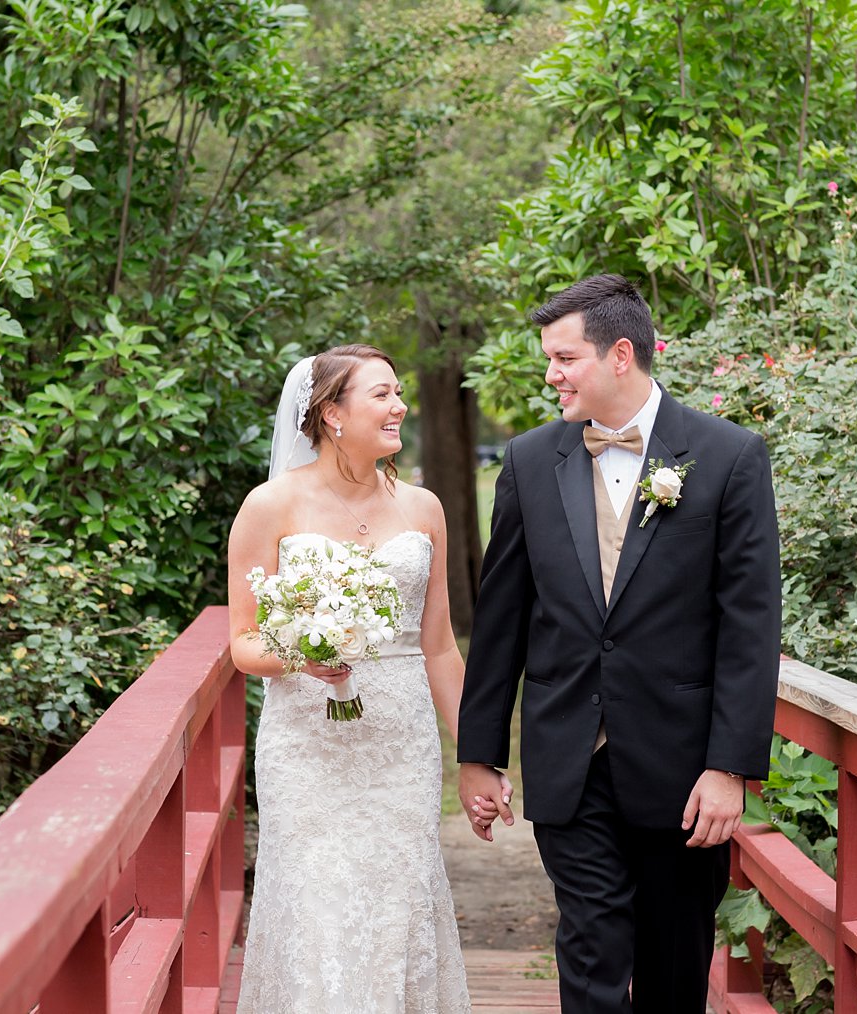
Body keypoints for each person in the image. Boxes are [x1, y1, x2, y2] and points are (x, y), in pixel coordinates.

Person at [457, 275, 782, 1013]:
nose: (551, 375)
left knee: (673, 972)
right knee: (593, 956)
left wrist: (730, 766)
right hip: (569, 759)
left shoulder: (729, 457)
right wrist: (479, 755)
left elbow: (750, 624)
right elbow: (501, 617)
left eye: (564, 358)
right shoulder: (531, 461)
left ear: (621, 354)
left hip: (682, 771)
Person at [229, 344, 486, 1012]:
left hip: (401, 744)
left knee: (399, 902)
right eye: (381, 394)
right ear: (331, 413)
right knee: (317, 907)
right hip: (307, 746)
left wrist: (476, 757)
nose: (400, 406)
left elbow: (438, 648)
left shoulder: (423, 507)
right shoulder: (268, 506)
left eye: (399, 392)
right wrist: (300, 655)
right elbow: (243, 642)